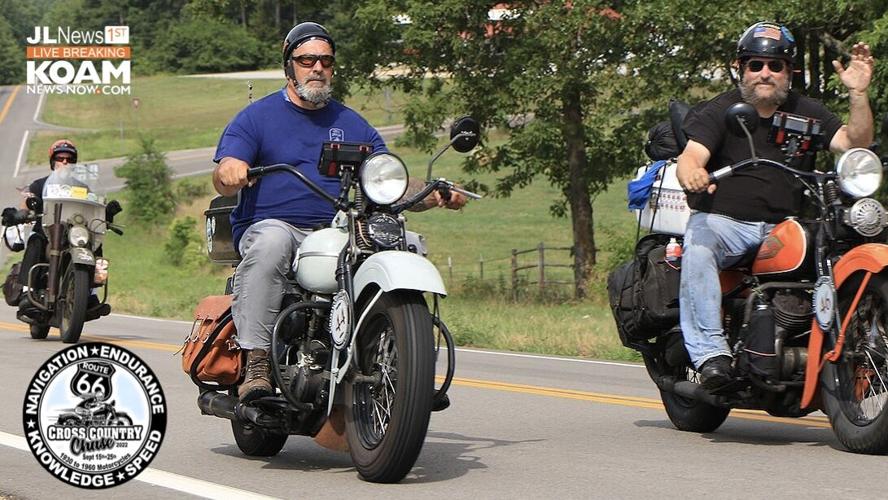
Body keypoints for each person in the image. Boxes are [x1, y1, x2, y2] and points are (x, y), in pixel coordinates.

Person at [213, 22, 467, 402]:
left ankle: (407, 361)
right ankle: (258, 360)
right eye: (307, 59)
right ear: (289, 64)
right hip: (278, 225)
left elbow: (385, 181)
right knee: (271, 243)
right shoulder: (257, 118)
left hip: (342, 227)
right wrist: (230, 171)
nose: (317, 68)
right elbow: (223, 174)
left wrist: (434, 194)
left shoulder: (352, 125)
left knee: (406, 243)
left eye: (326, 61)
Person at [675, 21, 874, 389]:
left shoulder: (808, 111)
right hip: (727, 224)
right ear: (741, 68)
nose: (765, 73)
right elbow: (691, 156)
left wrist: (858, 94)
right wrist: (692, 173)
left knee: (846, 244)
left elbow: (853, 143)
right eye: (755, 64)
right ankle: (710, 355)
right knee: (700, 243)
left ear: (789, 72)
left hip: (788, 228)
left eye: (775, 65)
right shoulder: (720, 110)